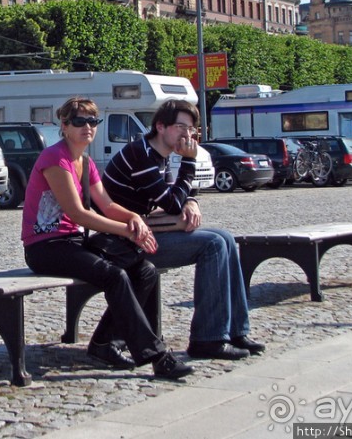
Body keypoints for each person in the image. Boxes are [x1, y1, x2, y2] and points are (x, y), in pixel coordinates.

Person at [22, 96, 193, 380]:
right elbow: (77, 214)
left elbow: (108, 205)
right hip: (46, 247)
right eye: (79, 121)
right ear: (64, 126)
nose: (87, 127)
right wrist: (127, 231)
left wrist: (133, 218)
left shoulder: (85, 161)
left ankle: (104, 343)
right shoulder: (54, 159)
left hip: (74, 244)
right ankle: (156, 356)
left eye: (93, 121)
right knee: (114, 275)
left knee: (145, 271)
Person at [102, 99, 265, 361]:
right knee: (212, 244)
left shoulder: (159, 156)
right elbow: (171, 202)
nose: (187, 135)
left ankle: (236, 331)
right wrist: (189, 164)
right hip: (119, 245)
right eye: (180, 127)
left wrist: (191, 200)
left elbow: (175, 199)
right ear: (160, 126)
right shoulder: (140, 154)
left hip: (140, 235)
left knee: (224, 237)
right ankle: (207, 339)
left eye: (191, 129)